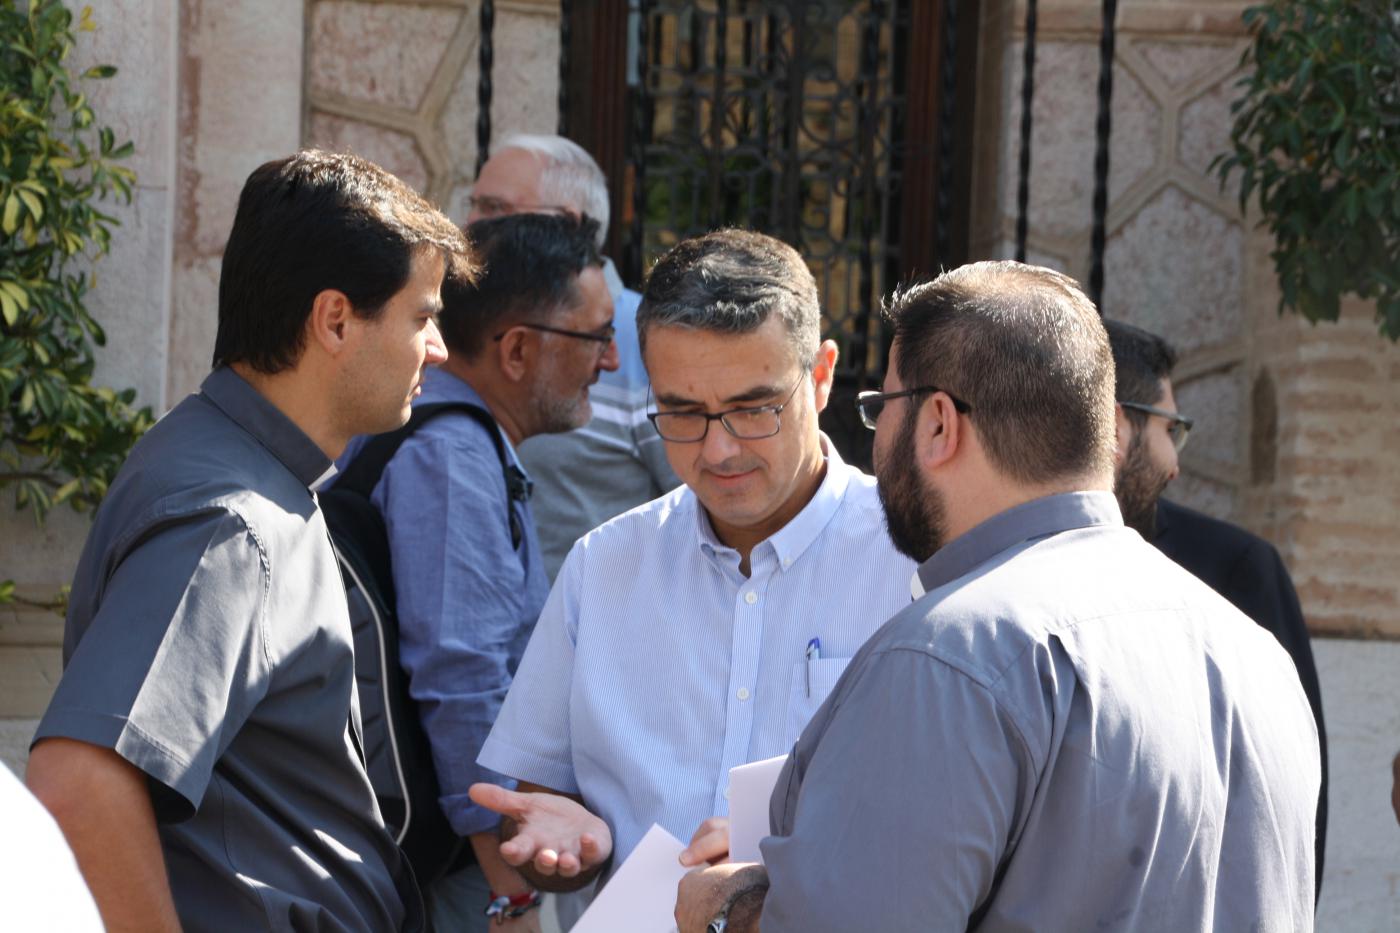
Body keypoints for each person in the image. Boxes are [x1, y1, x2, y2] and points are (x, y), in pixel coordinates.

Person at [674, 261, 1321, 932]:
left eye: (881, 408)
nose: (877, 439)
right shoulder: (1255, 655)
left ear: (937, 424)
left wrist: (730, 911)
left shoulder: (945, 657)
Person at [25, 150, 468, 931]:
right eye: (421, 317)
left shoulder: (241, 473)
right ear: (335, 320)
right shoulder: (230, 519)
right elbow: (79, 783)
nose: (437, 348)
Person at [469, 229, 916, 889]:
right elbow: (537, 807)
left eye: (753, 409)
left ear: (821, 377)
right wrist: (567, 848)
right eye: (682, 413)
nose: (718, 451)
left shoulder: (916, 566)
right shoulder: (603, 567)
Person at [340, 212, 617, 932]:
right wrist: (511, 894)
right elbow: (461, 679)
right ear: (517, 350)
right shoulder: (452, 459)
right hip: (453, 872)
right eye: (597, 336)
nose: (612, 360)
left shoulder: (451, 437)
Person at [1106, 318, 1329, 896]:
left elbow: (1292, 799)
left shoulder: (1238, 568)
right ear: (1116, 425)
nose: (1175, 464)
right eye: (1170, 429)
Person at [468, 134, 679, 579]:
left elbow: (703, 507)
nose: (471, 224)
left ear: (567, 223)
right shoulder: (455, 330)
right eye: (474, 205)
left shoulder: (656, 340)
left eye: (494, 208)